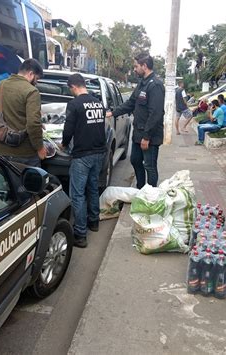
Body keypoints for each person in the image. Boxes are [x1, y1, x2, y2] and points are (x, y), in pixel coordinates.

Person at [61, 73, 107, 248]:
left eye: (70, 89)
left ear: (73, 86)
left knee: (77, 194)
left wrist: (64, 144)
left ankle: (80, 234)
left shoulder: (74, 104)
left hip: (82, 155)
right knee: (93, 188)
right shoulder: (98, 102)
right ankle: (93, 222)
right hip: (98, 153)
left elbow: (68, 129)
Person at [107, 53, 165, 189]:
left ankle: (151, 195)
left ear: (144, 66)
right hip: (138, 134)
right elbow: (130, 103)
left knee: (149, 166)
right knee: (135, 160)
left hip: (149, 136)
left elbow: (155, 114)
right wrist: (112, 113)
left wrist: (146, 137)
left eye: (136, 66)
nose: (134, 69)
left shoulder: (155, 85)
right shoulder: (142, 84)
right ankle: (140, 189)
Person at [0, 58, 45, 166]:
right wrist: (40, 148)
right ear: (31, 74)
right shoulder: (31, 91)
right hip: (23, 153)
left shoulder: (0, 85)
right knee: (31, 181)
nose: (36, 82)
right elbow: (33, 124)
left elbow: (3, 111)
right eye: (37, 79)